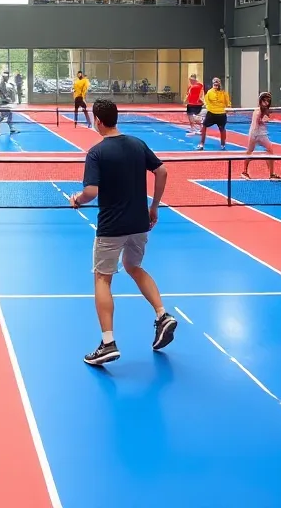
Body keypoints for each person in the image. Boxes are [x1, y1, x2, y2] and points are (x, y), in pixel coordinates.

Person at [69, 99, 177, 365]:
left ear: (98, 120)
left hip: (112, 226)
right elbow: (161, 172)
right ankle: (162, 315)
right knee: (134, 266)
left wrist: (77, 200)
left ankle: (108, 343)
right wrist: (154, 207)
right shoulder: (137, 144)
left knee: (102, 279)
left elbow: (91, 192)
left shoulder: (96, 153)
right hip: (139, 223)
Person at [241, 92, 281, 180]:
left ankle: (272, 174)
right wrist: (261, 121)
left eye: (268, 101)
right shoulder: (257, 111)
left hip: (262, 135)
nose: (266, 103)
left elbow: (264, 120)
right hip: (254, 134)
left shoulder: (266, 110)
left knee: (270, 151)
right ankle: (244, 172)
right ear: (260, 101)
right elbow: (256, 122)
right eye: (264, 101)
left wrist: (265, 121)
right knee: (249, 152)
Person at [197, 77, 230, 150]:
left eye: (216, 83)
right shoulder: (210, 92)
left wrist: (226, 110)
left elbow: (228, 104)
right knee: (205, 126)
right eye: (215, 83)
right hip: (212, 113)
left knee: (221, 129)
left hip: (220, 114)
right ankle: (202, 144)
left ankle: (222, 144)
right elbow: (206, 102)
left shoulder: (223, 93)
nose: (215, 85)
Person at [0, 70, 19, 136]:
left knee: (10, 114)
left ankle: (11, 128)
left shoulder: (3, 83)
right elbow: (3, 94)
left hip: (3, 102)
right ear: (4, 77)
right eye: (7, 77)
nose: (8, 78)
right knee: (2, 116)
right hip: (1, 103)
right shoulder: (2, 84)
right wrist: (9, 99)